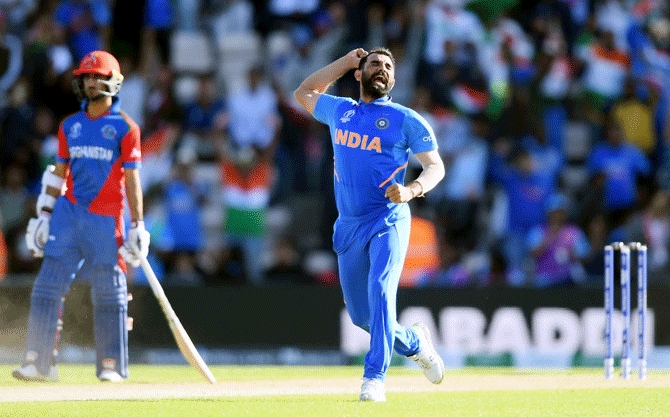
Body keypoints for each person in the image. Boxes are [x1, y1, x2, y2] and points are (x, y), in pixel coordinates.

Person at [294, 47, 446, 402]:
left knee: (380, 289)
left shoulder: (406, 119)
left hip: (387, 218)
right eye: (374, 64)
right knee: (362, 317)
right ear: (359, 75)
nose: (382, 69)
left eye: (388, 66)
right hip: (349, 225)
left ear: (393, 79)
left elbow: (435, 166)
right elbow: (304, 92)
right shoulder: (341, 110)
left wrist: (412, 190)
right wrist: (345, 62)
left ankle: (374, 378)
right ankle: (414, 342)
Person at [13, 51, 149, 383]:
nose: (91, 82)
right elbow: (57, 175)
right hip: (68, 215)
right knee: (46, 287)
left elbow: (132, 179)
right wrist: (44, 215)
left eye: (97, 76)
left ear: (113, 81)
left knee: (109, 292)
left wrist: (138, 225)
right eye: (86, 77)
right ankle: (40, 363)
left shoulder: (126, 128)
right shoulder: (69, 126)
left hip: (106, 218)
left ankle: (111, 365)